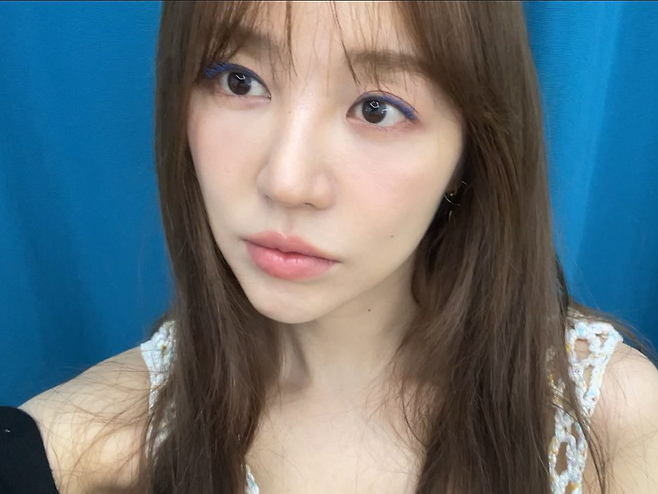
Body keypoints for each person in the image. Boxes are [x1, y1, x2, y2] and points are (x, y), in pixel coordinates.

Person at [6, 2, 658, 493]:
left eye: (377, 109)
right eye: (239, 80)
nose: (287, 181)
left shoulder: (615, 424)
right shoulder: (81, 446)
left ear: (470, 154)